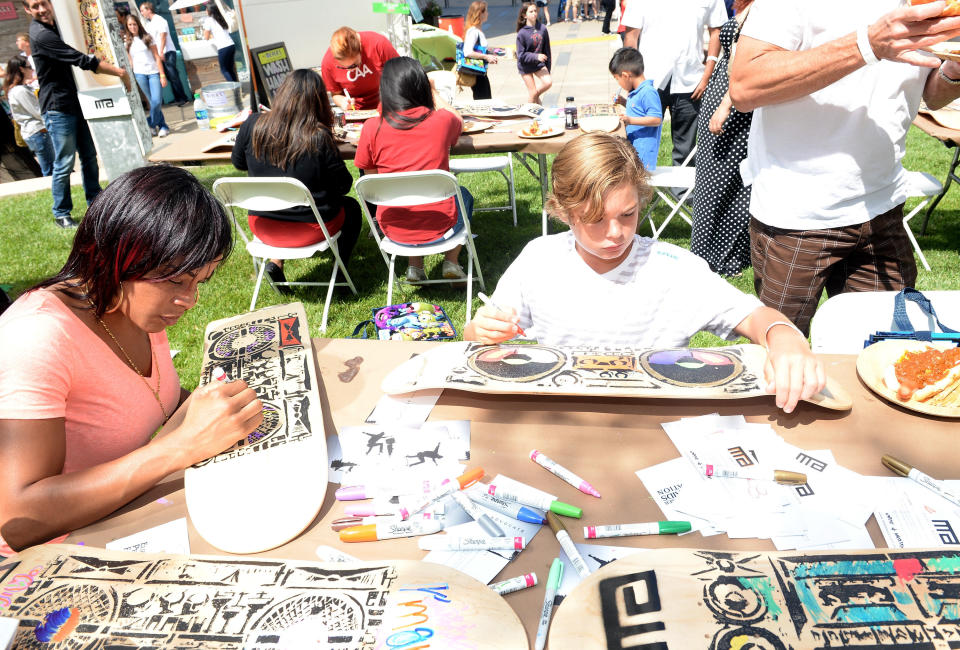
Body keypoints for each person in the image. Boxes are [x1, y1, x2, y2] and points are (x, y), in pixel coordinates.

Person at [0, 165, 263, 552]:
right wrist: (179, 448)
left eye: (198, 283)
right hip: (58, 555)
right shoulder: (37, 337)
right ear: (119, 255)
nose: (188, 301)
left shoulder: (131, 304)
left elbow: (151, 397)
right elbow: (18, 520)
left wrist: (219, 408)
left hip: (126, 512)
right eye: (176, 280)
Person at [464, 133, 824, 414]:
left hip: (659, 421)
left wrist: (784, 337)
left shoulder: (673, 268)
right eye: (594, 219)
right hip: (562, 416)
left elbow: (755, 316)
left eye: (628, 214)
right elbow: (481, 336)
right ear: (563, 211)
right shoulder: (539, 260)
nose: (615, 233)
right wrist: (479, 330)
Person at [729, 0, 960, 334]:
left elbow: (928, 93)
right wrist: (867, 44)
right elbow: (745, 86)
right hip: (798, 216)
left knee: (888, 352)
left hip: (883, 204)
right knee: (782, 361)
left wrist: (953, 71)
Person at [231, 69, 361, 291]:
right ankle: (340, 272)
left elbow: (239, 163)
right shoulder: (317, 136)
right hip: (310, 229)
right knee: (351, 208)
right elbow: (343, 186)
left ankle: (275, 262)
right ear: (318, 100)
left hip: (263, 227)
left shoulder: (252, 124)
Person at [355, 56, 472, 283]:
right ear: (421, 86)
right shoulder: (441, 121)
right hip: (442, 224)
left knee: (402, 200)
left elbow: (374, 182)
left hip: (393, 228)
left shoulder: (371, 127)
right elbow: (458, 119)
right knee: (464, 195)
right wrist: (434, 93)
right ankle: (451, 261)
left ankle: (415, 266)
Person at [25, 0, 129, 229]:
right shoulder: (41, 34)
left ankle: (96, 201)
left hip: (74, 102)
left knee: (89, 155)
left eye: (44, 4)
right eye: (35, 6)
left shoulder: (56, 26)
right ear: (27, 10)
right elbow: (80, 59)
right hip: (57, 107)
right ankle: (61, 213)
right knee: (64, 162)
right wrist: (117, 71)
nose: (41, 9)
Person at [621, 0, 726, 165]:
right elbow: (631, 36)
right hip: (648, 80)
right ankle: (638, 189)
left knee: (686, 150)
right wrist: (632, 80)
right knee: (639, 144)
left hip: (691, 80)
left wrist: (707, 74)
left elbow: (716, 30)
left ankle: (682, 191)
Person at [691, 0, 753, 277]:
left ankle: (723, 255)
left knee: (728, 181)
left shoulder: (765, 10)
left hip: (734, 105)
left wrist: (726, 105)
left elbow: (746, 63)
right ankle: (706, 253)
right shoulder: (745, 8)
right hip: (721, 93)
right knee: (711, 179)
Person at [321, 26, 399, 111]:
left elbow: (400, 74)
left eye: (354, 65)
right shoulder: (327, 63)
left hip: (388, 104)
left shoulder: (378, 43)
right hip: (357, 111)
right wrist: (343, 102)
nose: (351, 70)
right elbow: (335, 94)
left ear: (360, 48)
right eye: (343, 67)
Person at [610, 47, 662, 171]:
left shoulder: (648, 92)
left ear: (625, 75)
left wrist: (630, 120)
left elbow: (656, 119)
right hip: (634, 148)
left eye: (617, 79)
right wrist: (623, 102)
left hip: (643, 152)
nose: (619, 84)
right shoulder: (636, 92)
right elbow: (639, 110)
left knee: (640, 185)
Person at [4, 57, 53, 176]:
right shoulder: (20, 91)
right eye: (29, 67)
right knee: (49, 169)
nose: (32, 70)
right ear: (21, 69)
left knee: (50, 167)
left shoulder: (20, 89)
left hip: (36, 132)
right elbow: (37, 111)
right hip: (38, 131)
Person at [124, 13, 169, 138]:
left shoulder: (147, 38)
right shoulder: (127, 42)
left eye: (134, 24)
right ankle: (162, 126)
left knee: (156, 101)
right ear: (127, 27)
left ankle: (149, 122)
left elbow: (156, 57)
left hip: (153, 73)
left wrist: (162, 75)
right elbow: (130, 62)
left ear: (138, 24)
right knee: (151, 101)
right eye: (130, 25)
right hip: (140, 75)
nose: (133, 27)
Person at [140, 1, 190, 107]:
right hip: (160, 53)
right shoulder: (149, 23)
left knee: (173, 76)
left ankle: (183, 98)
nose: (141, 13)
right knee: (169, 76)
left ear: (149, 10)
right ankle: (177, 98)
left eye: (142, 10)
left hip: (167, 52)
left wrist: (161, 51)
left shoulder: (159, 20)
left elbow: (163, 35)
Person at [516, 2, 552, 105]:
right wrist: (536, 56)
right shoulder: (521, 33)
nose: (534, 13)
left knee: (548, 82)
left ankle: (535, 111)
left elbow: (547, 51)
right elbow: (521, 55)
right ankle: (532, 116)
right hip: (525, 65)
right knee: (533, 93)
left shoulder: (543, 29)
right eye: (531, 11)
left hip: (538, 64)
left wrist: (548, 69)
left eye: (535, 11)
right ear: (524, 15)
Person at [463, 1, 499, 101]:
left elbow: (479, 49)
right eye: (486, 11)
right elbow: (467, 52)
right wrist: (486, 57)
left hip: (481, 72)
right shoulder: (473, 31)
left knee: (484, 99)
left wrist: (492, 53)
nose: (488, 13)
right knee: (483, 101)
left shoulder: (477, 30)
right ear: (480, 13)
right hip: (477, 72)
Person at [202, 3, 236, 83]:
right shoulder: (221, 17)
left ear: (209, 11)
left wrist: (207, 33)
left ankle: (235, 89)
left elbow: (206, 37)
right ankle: (238, 88)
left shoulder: (208, 20)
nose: (205, 11)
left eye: (206, 9)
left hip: (223, 47)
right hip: (231, 44)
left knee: (224, 70)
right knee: (230, 69)